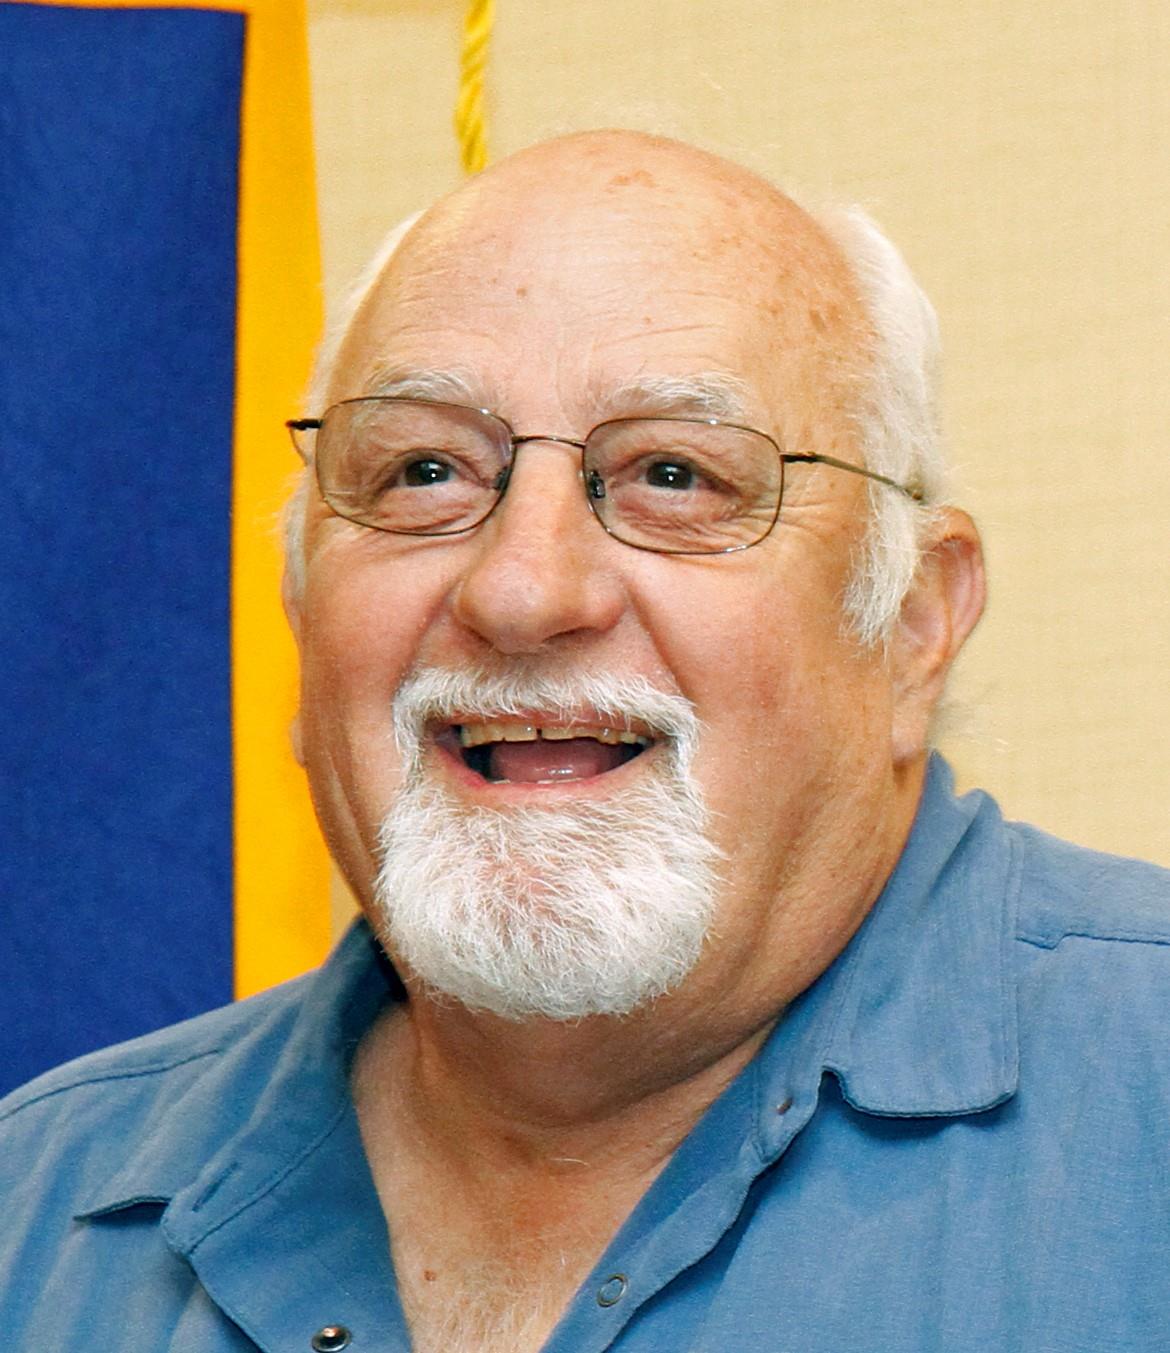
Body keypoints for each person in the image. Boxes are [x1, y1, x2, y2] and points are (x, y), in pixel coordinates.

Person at [3, 130, 1168, 1353]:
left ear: (914, 626)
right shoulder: (35, 1221)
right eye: (424, 471)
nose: (522, 591)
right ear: (300, 615)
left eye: (674, 474)